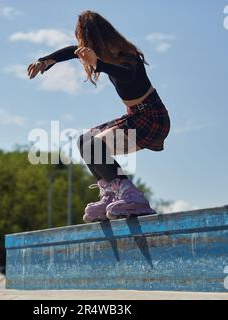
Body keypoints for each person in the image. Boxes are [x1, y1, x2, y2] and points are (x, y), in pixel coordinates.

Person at [27, 10, 170, 223]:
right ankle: (111, 193)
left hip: (153, 118)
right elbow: (70, 51)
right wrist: (45, 61)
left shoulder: (127, 56)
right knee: (84, 142)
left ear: (97, 39)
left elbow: (128, 75)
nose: (84, 52)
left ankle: (133, 197)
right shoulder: (101, 55)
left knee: (94, 144)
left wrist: (98, 64)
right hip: (135, 116)